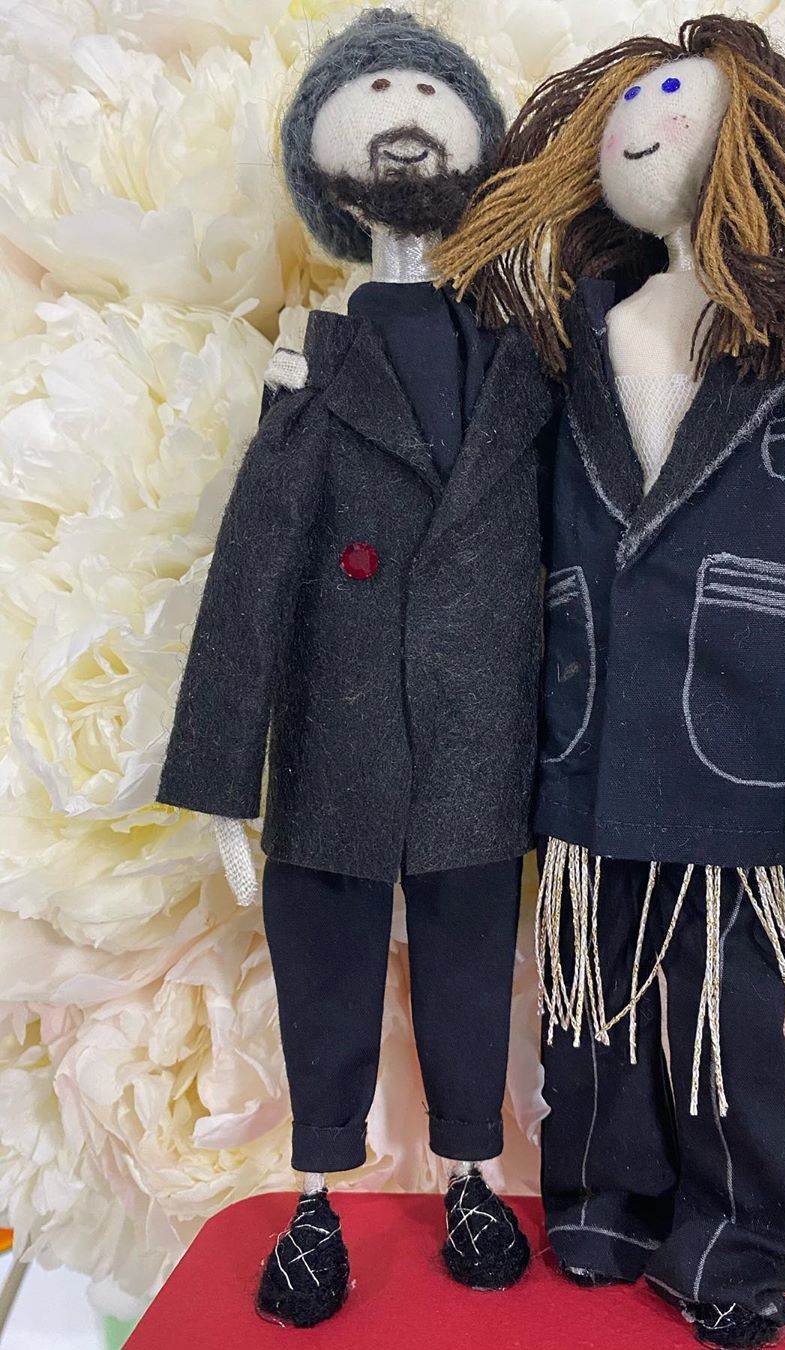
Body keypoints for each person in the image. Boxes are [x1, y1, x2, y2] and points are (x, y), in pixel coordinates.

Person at [435, 15, 785, 1347]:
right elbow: (511, 534)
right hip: (585, 734)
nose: (644, 119)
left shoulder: (777, 368)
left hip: (734, 751)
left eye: (677, 97)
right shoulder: (571, 350)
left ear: (750, 141)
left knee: (725, 1021)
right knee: (589, 1003)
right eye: (633, 97)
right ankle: (600, 1208)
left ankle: (738, 1242)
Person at [157, 8, 553, 1327]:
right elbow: (254, 565)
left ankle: (472, 1174)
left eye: (427, 89)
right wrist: (222, 774)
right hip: (335, 728)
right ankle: (317, 1191)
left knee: (469, 955)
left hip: (480, 730)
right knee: (321, 954)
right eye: (371, 86)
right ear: (318, 156)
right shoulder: (314, 374)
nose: (402, 104)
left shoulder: (524, 374)